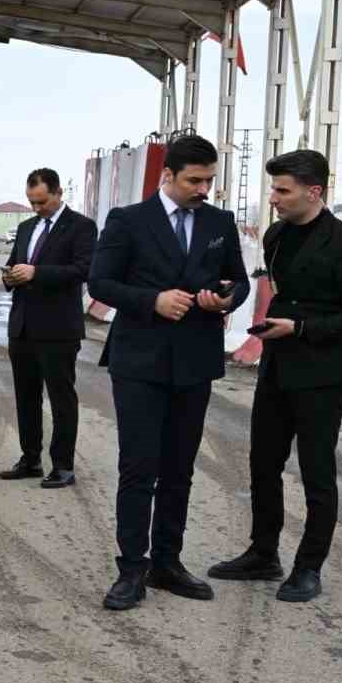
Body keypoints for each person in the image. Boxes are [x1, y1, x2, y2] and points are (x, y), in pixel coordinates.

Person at [207, 149, 342, 602]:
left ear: (314, 191)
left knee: (316, 471)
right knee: (263, 463)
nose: (274, 198)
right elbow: (287, 295)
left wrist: (301, 327)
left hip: (324, 372)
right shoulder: (277, 236)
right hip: (279, 363)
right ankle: (264, 554)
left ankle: (308, 568)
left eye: (283, 190)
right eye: (274, 189)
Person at [88, 133, 250, 611]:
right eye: (194, 180)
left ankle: (167, 562)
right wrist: (152, 300)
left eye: (209, 181)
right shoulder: (128, 221)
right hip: (139, 361)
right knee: (139, 467)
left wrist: (226, 297)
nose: (204, 189)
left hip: (195, 360)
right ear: (167, 177)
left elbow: (238, 280)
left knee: (179, 468)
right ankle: (131, 568)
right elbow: (100, 281)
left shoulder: (219, 221)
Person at [0, 168, 97, 489]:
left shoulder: (81, 227)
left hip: (58, 328)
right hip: (23, 326)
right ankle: (30, 459)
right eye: (31, 202)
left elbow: (83, 270)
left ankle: (63, 466)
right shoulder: (27, 227)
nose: (36, 208)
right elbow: (15, 264)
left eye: (41, 201)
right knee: (26, 397)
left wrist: (36, 273)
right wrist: (9, 277)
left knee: (60, 398)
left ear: (58, 193)